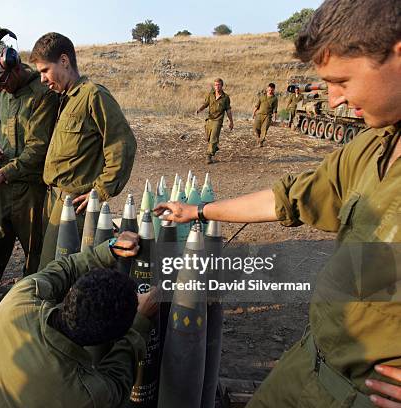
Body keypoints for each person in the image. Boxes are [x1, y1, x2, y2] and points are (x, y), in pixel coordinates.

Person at [155, 0, 400, 406]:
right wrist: (197, 211)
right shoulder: (372, 146)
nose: (335, 100)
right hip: (308, 365)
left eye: (342, 80)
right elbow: (287, 199)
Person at [0, 232, 158, 407]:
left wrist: (108, 249)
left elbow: (62, 270)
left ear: (71, 293)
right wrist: (139, 322)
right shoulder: (84, 394)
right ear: (107, 340)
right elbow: (117, 382)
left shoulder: (18, 300)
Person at [29, 32, 137, 269]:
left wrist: (101, 191)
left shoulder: (93, 95)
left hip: (76, 207)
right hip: (55, 201)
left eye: (45, 70)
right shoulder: (67, 99)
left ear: (64, 61)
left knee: (59, 272)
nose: (43, 79)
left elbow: (122, 144)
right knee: (54, 270)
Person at [0, 40, 59, 279]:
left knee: (35, 252)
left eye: (1, 81)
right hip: (1, 187)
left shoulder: (43, 95)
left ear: (15, 68)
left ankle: (30, 303)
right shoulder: (1, 95)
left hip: (30, 189)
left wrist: (0, 175)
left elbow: (37, 150)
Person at [196, 78, 234, 164]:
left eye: (218, 85)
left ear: (222, 86)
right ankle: (214, 146)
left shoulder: (226, 97)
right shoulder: (210, 95)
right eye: (215, 85)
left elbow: (228, 110)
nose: (217, 86)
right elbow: (206, 104)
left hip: (218, 120)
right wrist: (199, 110)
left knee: (213, 138)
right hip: (210, 119)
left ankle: (209, 156)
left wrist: (231, 122)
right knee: (208, 138)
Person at [252, 83, 278, 147]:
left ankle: (261, 142)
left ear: (274, 90)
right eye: (269, 90)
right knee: (255, 127)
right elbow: (257, 105)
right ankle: (259, 138)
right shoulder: (262, 96)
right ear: (267, 89)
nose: (270, 91)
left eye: (272, 90)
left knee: (264, 129)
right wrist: (253, 113)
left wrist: (274, 118)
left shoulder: (275, 99)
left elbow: (275, 109)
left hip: (267, 116)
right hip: (259, 115)